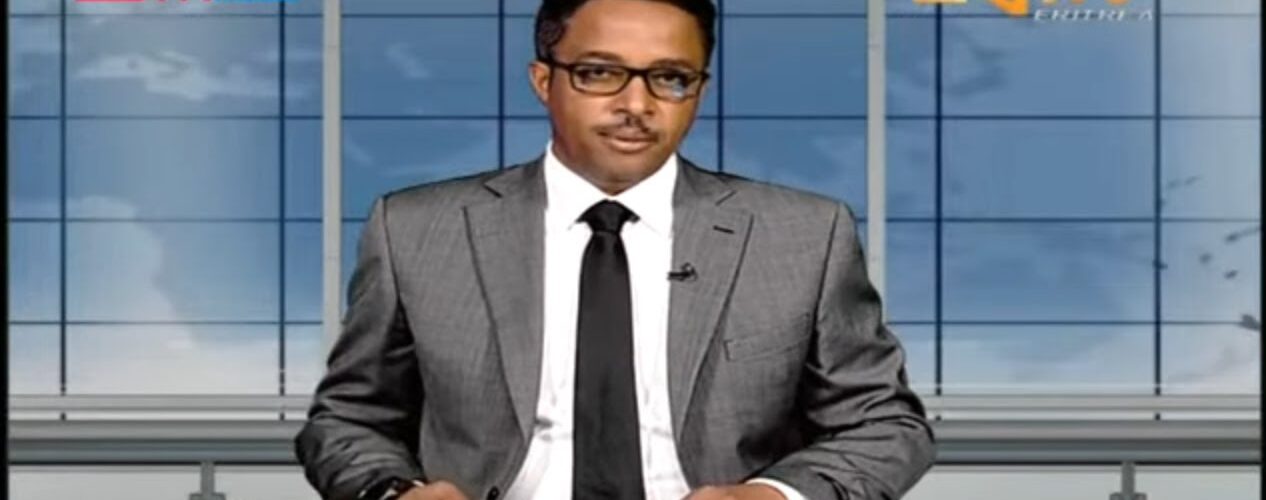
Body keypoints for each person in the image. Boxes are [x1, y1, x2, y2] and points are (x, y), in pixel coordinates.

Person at [295, 0, 936, 499]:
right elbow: (348, 419)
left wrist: (772, 495)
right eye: (599, 73)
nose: (636, 105)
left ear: (700, 91)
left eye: (670, 78)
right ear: (543, 80)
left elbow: (885, 425)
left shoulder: (804, 234)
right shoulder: (415, 229)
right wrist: (393, 492)